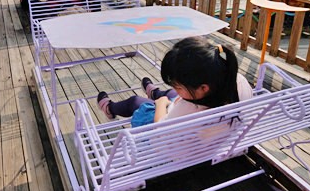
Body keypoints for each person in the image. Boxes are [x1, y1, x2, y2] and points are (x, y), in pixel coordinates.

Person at [96, 37, 254, 126]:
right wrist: (172, 96)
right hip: (217, 141)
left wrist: (160, 104)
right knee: (171, 94)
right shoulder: (237, 82)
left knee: (136, 102)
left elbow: (159, 129)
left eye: (178, 86)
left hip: (172, 144)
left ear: (203, 88)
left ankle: (110, 108)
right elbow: (185, 98)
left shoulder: (187, 110)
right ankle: (155, 93)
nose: (176, 88)